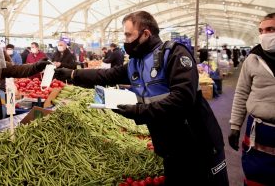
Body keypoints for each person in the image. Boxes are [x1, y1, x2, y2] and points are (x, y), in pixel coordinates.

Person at [54, 11, 228, 186]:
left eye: (129, 35)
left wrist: (139, 112)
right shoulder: (136, 63)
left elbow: (182, 99)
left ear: (146, 34)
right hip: (169, 146)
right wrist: (72, 73)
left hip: (198, 143)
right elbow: (105, 75)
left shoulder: (174, 54)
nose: (126, 40)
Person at [229, 13, 275, 186]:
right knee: (256, 177)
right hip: (259, 130)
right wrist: (235, 126)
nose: (265, 34)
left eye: (271, 29)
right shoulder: (253, 59)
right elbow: (241, 93)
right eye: (261, 31)